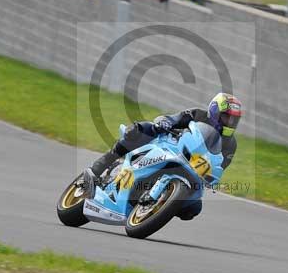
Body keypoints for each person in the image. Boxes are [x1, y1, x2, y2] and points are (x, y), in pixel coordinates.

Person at [83, 93, 243, 220]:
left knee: (194, 209)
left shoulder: (231, 144)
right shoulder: (198, 115)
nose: (229, 122)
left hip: (193, 168)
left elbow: (220, 166)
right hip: (172, 146)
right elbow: (173, 118)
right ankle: (99, 168)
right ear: (215, 111)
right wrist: (164, 122)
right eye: (226, 117)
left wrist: (213, 178)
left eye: (234, 120)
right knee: (140, 129)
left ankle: (160, 205)